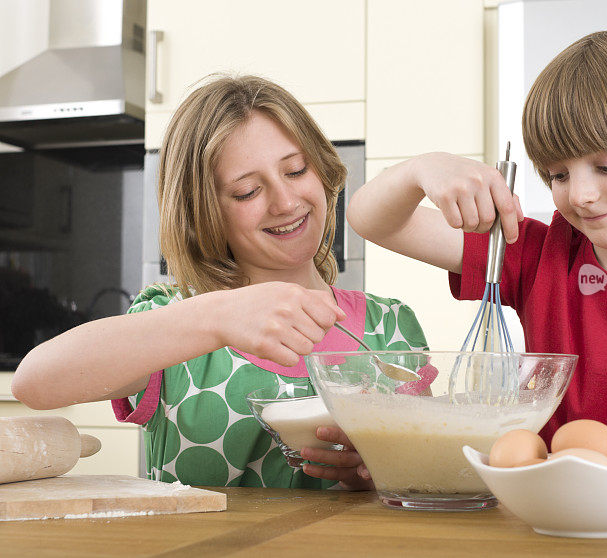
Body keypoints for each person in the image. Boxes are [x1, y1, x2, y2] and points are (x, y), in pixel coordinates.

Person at [346, 24, 607, 499]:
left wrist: (515, 467)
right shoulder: (538, 253)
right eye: (558, 174)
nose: (582, 195)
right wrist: (420, 168)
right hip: (554, 507)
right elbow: (372, 221)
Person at [12, 75, 430, 490]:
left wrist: (385, 471)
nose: (286, 203)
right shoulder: (177, 324)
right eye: (247, 192)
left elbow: (428, 476)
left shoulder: (391, 326)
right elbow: (35, 383)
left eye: (296, 170)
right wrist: (218, 316)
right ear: (203, 213)